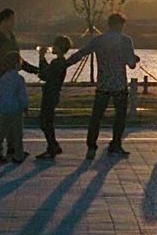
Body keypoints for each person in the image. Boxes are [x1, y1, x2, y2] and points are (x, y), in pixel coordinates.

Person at [69, 13, 140, 157]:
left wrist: (66, 63)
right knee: (119, 117)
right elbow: (131, 64)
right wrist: (134, 59)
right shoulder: (126, 41)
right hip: (119, 85)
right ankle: (115, 144)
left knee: (96, 116)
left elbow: (82, 53)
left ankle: (91, 145)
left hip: (103, 84)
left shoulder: (98, 40)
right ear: (120, 25)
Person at [0, 8, 37, 159]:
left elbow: (17, 58)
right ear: (4, 21)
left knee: (12, 113)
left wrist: (33, 70)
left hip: (11, 82)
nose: (14, 23)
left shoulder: (11, 37)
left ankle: (12, 146)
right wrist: (5, 70)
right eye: (12, 20)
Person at [37, 35, 72, 158]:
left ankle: (52, 145)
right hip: (54, 94)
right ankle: (52, 145)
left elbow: (44, 75)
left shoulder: (57, 62)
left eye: (55, 45)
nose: (52, 47)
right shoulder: (61, 62)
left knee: (45, 121)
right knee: (47, 121)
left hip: (50, 94)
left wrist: (41, 58)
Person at [0, 52, 29, 163]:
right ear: (16, 64)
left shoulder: (3, 78)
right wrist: (25, 106)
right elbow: (22, 95)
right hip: (16, 109)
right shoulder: (19, 79)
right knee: (18, 133)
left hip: (4, 108)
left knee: (2, 132)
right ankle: (18, 154)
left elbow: (0, 93)